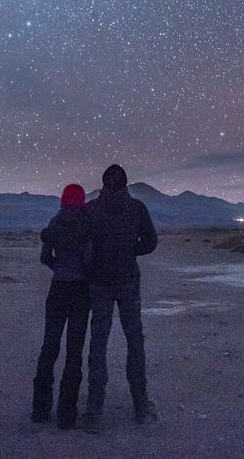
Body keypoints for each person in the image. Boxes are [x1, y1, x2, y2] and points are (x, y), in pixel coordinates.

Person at [84, 164, 158, 430]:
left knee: (98, 343)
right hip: (128, 281)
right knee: (134, 341)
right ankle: (140, 405)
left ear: (103, 183)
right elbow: (150, 242)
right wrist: (129, 252)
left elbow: (82, 242)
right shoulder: (137, 208)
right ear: (126, 184)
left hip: (100, 283)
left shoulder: (91, 210)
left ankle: (94, 411)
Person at [32, 183, 91, 429]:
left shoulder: (54, 223)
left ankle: (40, 409)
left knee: (49, 347)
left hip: (57, 289)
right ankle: (67, 415)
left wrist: (58, 267)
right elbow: (89, 259)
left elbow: (45, 257)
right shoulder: (87, 224)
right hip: (80, 290)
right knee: (74, 353)